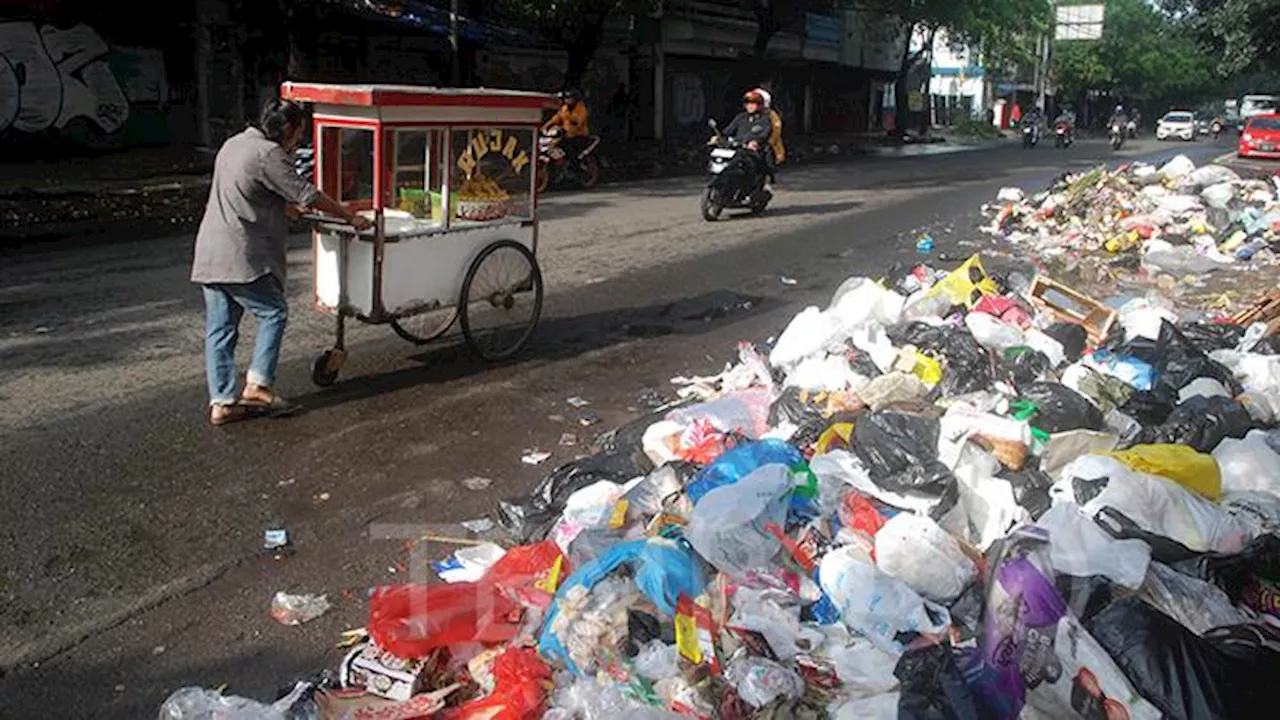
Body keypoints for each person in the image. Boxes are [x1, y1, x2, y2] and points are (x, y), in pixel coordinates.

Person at [191, 98, 372, 426]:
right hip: (241, 254)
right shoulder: (269, 155)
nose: (298, 142)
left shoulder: (235, 144)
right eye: (299, 133)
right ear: (287, 129)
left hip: (210, 252)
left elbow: (247, 192)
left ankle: (222, 402)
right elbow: (308, 194)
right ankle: (258, 385)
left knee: (220, 331)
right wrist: (350, 216)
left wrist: (282, 209)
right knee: (273, 311)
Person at [543, 89, 592, 171]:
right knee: (554, 145)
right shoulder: (564, 108)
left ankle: (576, 167)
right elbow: (556, 118)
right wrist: (546, 126)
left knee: (570, 150)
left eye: (569, 98)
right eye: (566, 98)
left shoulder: (581, 108)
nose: (567, 100)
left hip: (578, 135)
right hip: (565, 135)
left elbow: (579, 122)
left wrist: (569, 126)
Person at [754, 87, 786, 185]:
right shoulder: (746, 115)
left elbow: (776, 130)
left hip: (767, 145)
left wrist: (768, 142)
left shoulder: (771, 115)